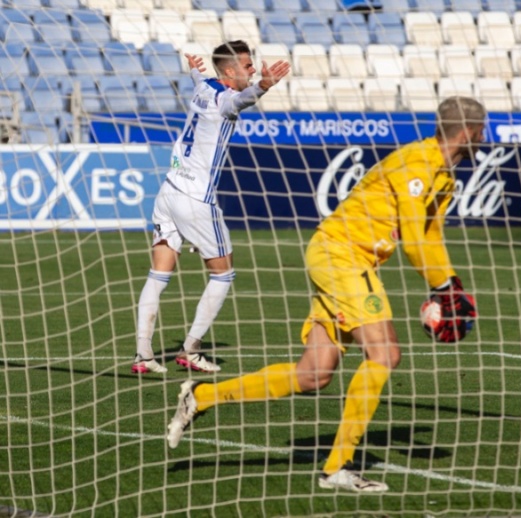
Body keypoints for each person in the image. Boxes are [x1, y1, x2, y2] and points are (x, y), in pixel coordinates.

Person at [166, 97, 485, 492]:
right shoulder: (416, 163)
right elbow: (415, 237)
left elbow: (431, 234)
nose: (482, 139)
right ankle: (337, 467)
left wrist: (450, 283)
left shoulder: (445, 176)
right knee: (385, 354)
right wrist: (439, 287)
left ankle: (201, 396)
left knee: (313, 374)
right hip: (342, 254)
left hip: (346, 259)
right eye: (481, 132)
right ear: (470, 132)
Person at [132, 41, 291, 374]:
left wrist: (193, 66)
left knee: (160, 272)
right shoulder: (225, 100)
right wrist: (263, 86)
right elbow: (242, 99)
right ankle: (191, 348)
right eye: (248, 66)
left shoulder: (204, 86)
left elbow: (198, 79)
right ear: (230, 71)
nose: (252, 69)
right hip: (195, 198)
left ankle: (144, 356)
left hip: (169, 191)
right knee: (223, 272)